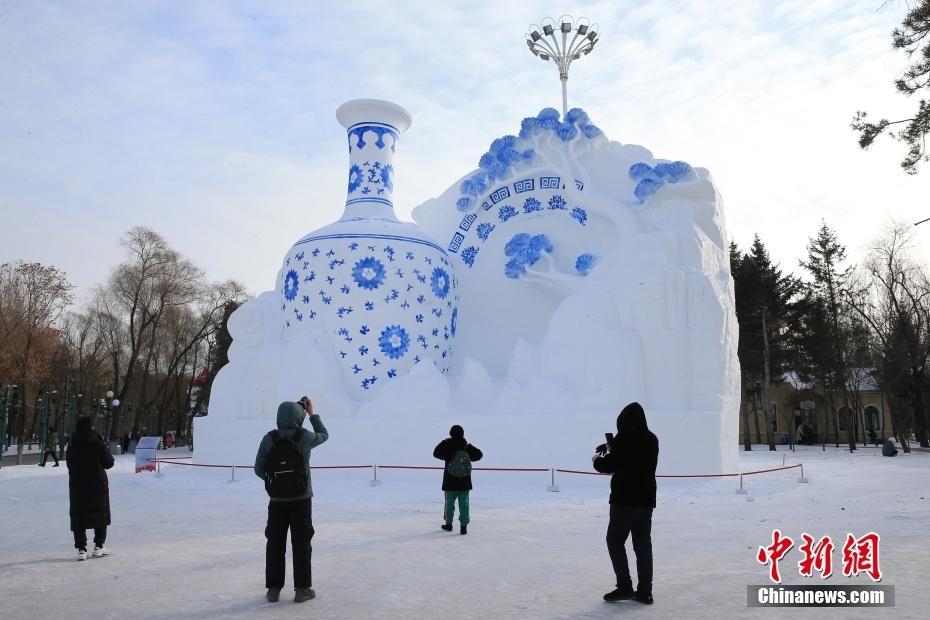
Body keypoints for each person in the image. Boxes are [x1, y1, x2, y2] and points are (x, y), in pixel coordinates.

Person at [254, 397, 328, 604]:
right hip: (301, 499)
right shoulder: (304, 437)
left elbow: (259, 469)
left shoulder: (269, 438)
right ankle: (302, 589)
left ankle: (274, 589)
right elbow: (324, 435)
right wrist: (312, 414)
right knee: (302, 542)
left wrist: (275, 483)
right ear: (299, 416)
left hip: (276, 501)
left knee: (275, 543)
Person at [593, 402, 659, 605]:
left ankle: (624, 586)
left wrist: (597, 459)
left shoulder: (622, 440)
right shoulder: (651, 439)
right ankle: (645, 592)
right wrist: (611, 447)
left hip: (624, 500)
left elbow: (609, 465)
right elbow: (634, 457)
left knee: (614, 540)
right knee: (642, 546)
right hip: (646, 499)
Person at [66, 416, 114, 561]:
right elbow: (108, 463)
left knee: (79, 514)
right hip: (97, 483)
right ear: (91, 427)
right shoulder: (97, 443)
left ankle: (81, 549)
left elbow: (70, 464)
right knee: (100, 512)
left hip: (78, 484)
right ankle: (99, 546)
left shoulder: (72, 444)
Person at [432, 425, 483, 535]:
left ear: (451, 434)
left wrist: (444, 442)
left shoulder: (447, 446)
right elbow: (479, 455)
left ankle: (449, 524)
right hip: (465, 482)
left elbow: (435, 453)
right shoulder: (466, 446)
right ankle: (463, 527)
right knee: (464, 505)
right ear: (462, 434)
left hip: (450, 482)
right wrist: (469, 446)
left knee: (449, 504)